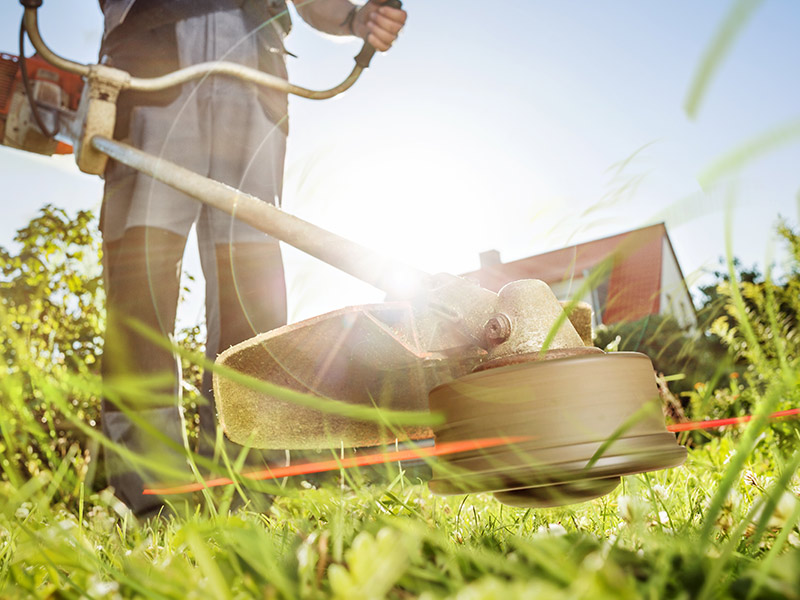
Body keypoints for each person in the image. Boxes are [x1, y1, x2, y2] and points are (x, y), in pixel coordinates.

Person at [97, 0, 407, 516]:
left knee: (251, 294)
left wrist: (354, 19)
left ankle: (248, 501)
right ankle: (153, 507)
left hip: (254, 72)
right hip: (150, 70)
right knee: (139, 291)